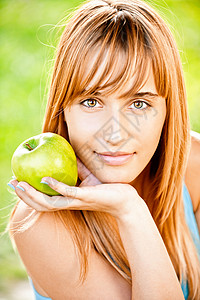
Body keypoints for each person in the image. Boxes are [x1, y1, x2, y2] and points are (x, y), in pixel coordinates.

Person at [6, 0, 200, 299]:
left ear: (167, 109)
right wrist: (130, 210)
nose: (115, 134)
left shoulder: (194, 164)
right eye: (91, 102)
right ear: (64, 109)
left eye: (139, 103)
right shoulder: (40, 220)